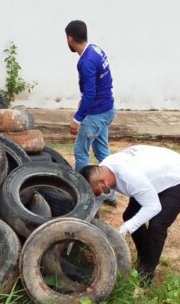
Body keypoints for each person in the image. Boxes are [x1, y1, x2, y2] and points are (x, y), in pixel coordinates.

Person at [80, 145, 180, 284]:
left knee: (157, 225)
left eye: (96, 192)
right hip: (150, 176)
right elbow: (96, 201)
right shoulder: (103, 171)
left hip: (179, 177)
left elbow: (153, 207)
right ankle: (144, 256)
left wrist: (126, 228)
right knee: (130, 215)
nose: (97, 195)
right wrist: (82, 224)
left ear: (102, 183)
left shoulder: (130, 177)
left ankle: (146, 274)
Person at [65, 20, 117, 205]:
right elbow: (100, 83)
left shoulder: (86, 61)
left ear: (70, 39)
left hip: (95, 114)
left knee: (81, 154)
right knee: (103, 152)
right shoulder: (96, 50)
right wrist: (85, 100)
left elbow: (90, 93)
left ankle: (82, 197)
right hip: (107, 109)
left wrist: (77, 118)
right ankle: (111, 196)